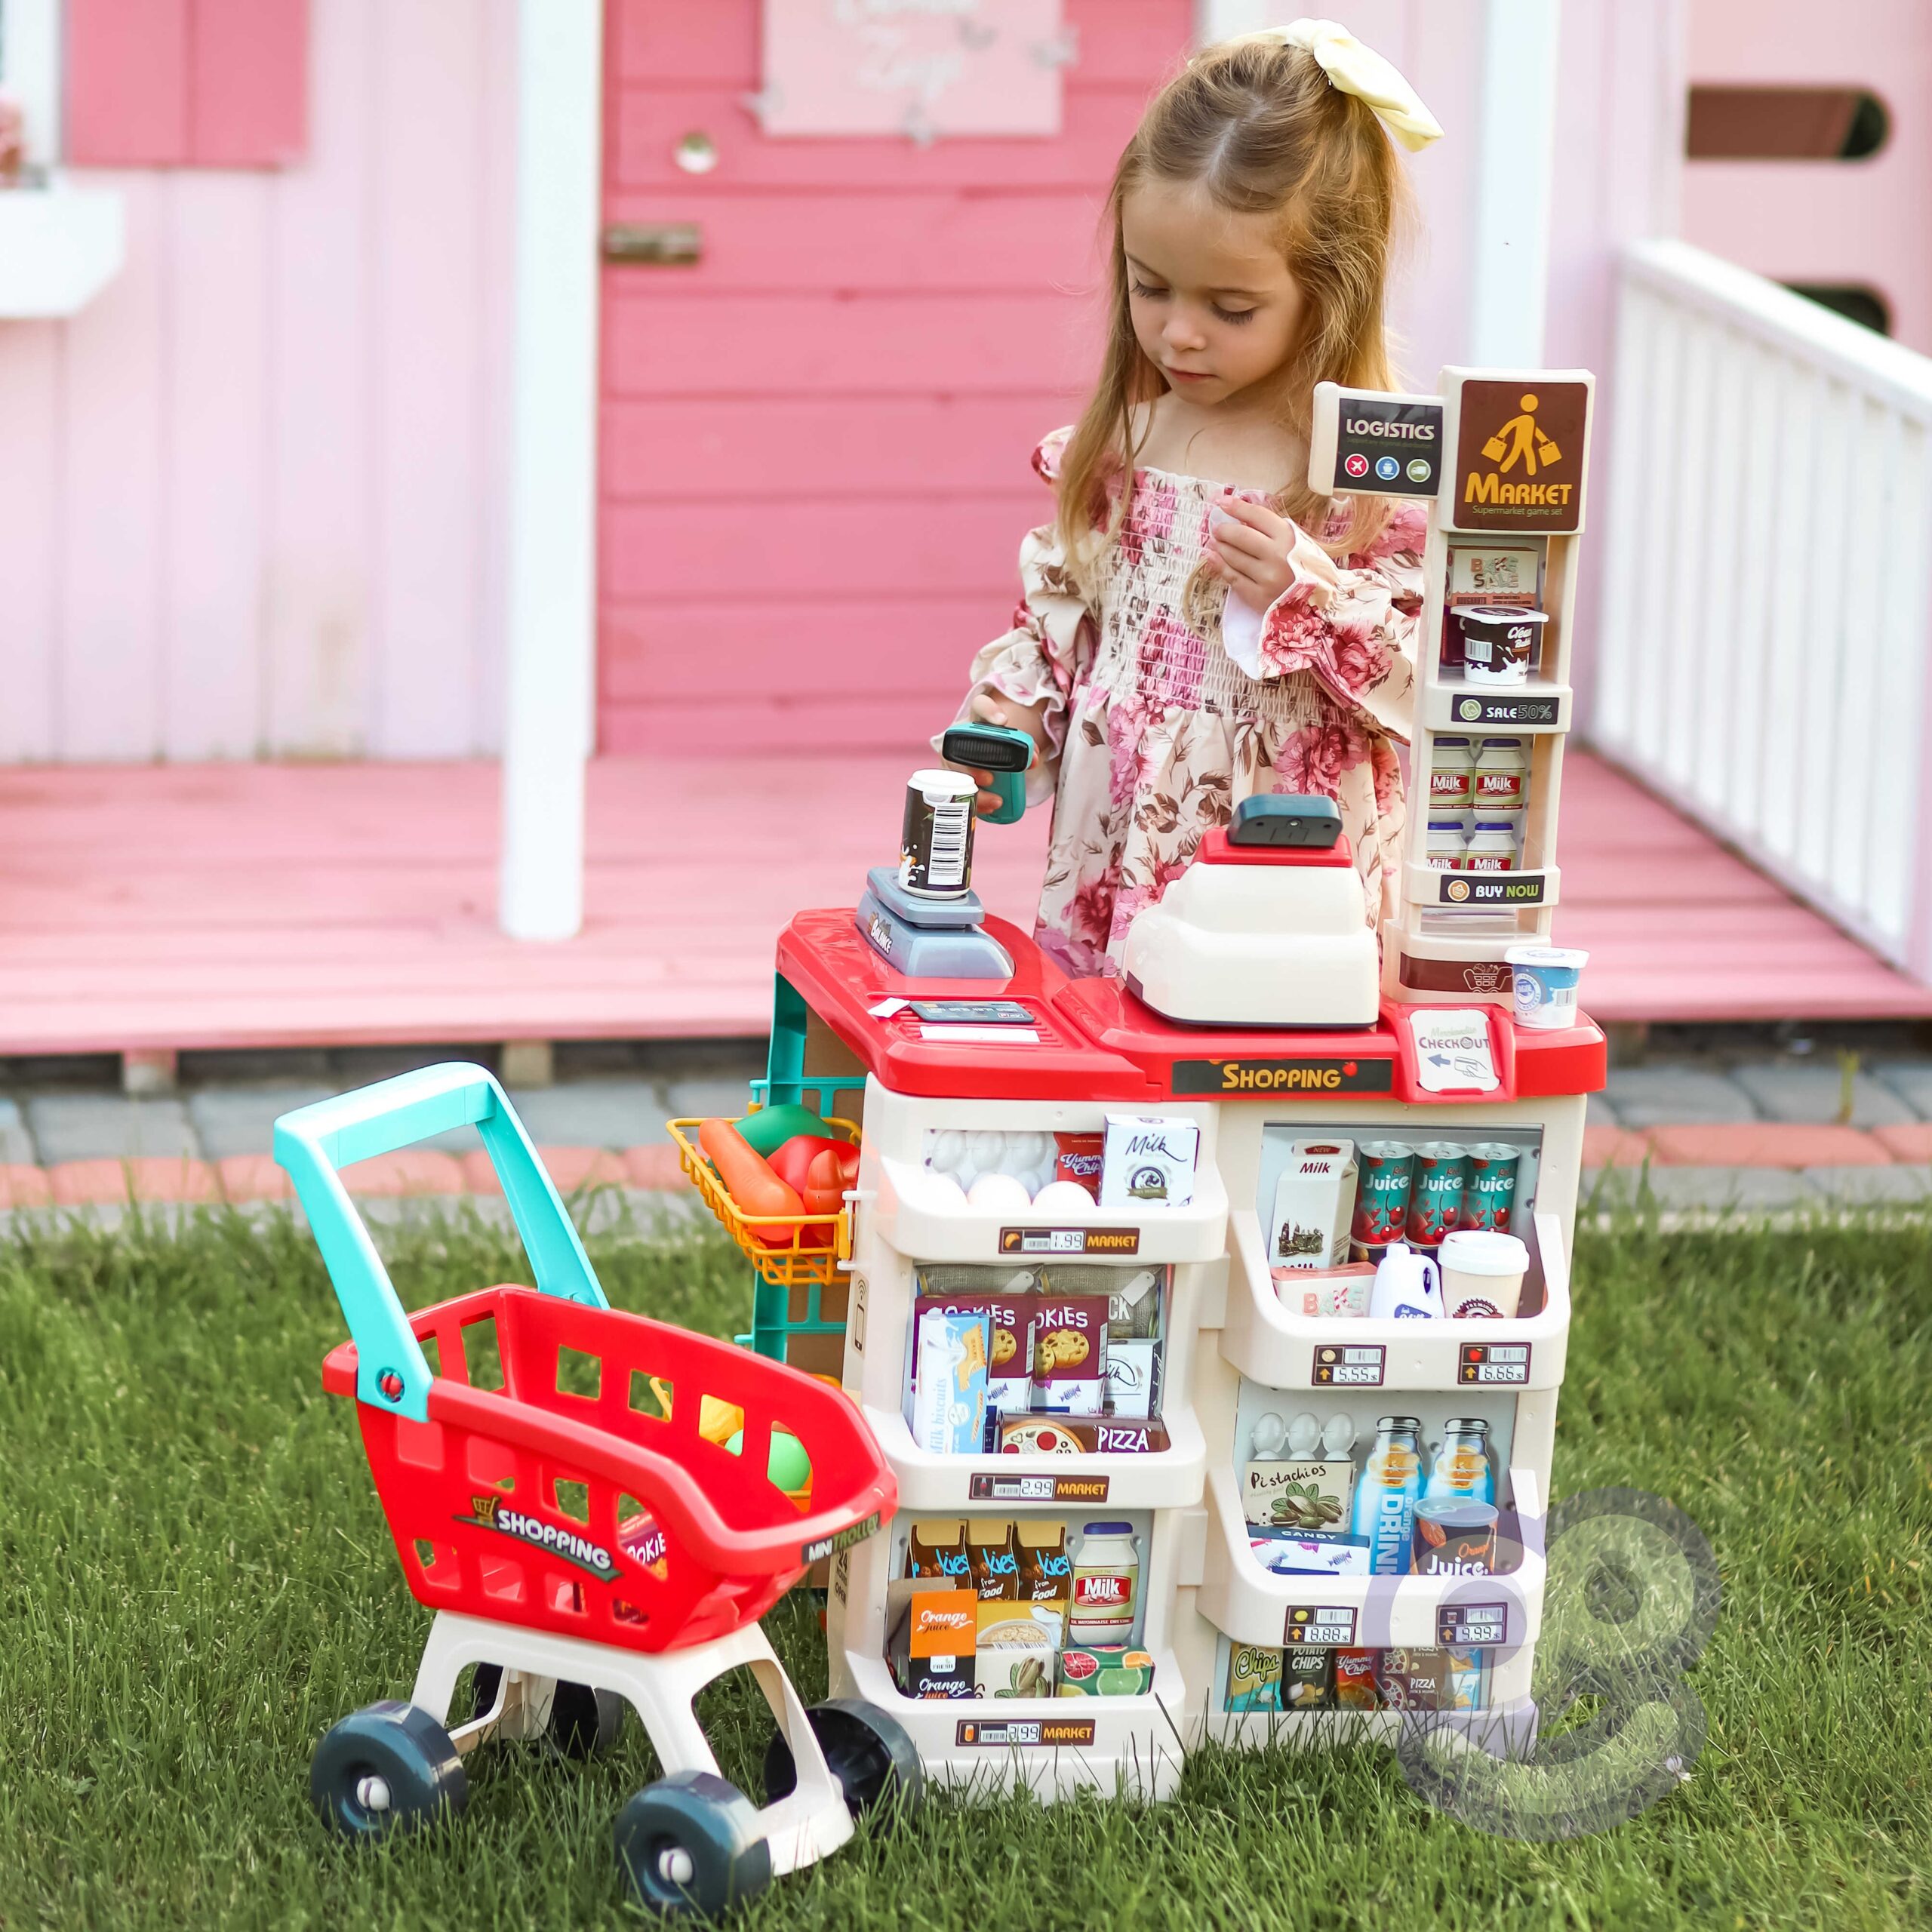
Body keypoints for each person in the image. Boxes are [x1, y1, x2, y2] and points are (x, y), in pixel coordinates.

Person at [946, 20, 1440, 980]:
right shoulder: (1119, 451)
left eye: (1231, 307)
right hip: (1121, 847)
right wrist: (1009, 720)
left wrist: (1314, 594)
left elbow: (1431, 688)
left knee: (1272, 1072)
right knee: (1121, 1082)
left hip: (1282, 871)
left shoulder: (1362, 473)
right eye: (1150, 288)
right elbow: (1062, 635)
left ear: (1329, 290)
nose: (1179, 334)